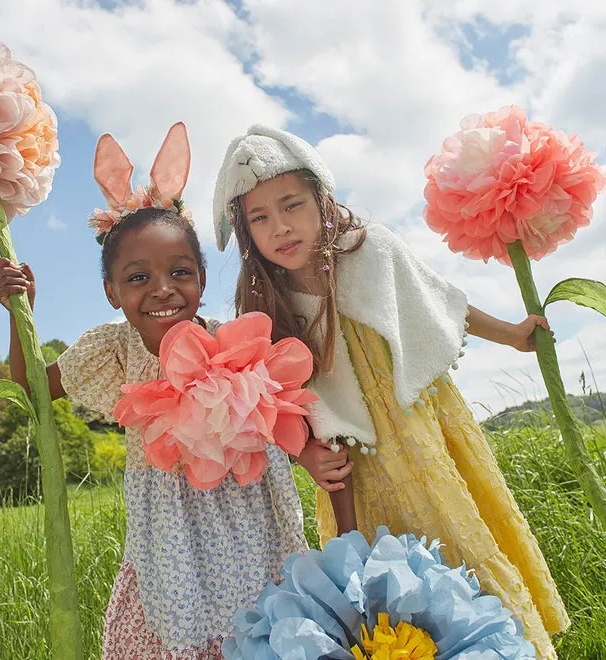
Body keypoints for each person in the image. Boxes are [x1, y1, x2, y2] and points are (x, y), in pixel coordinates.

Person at [211, 124, 570, 658]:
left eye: (292, 205)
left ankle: (500, 645)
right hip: (359, 464)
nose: (280, 227)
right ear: (244, 231)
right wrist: (305, 452)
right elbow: (274, 404)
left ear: (321, 200)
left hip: (423, 435)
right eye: (259, 218)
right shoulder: (265, 305)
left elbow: (440, 303)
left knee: (456, 534)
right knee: (378, 575)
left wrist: (513, 336)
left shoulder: (370, 251)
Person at [0, 123, 306, 659]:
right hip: (170, 535)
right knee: (177, 633)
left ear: (202, 282)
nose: (162, 288)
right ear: (111, 292)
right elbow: (29, 389)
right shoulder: (114, 352)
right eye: (138, 278)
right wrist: (21, 314)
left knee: (264, 632)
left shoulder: (233, 343)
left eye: (179, 271)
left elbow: (282, 420)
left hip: (250, 523)